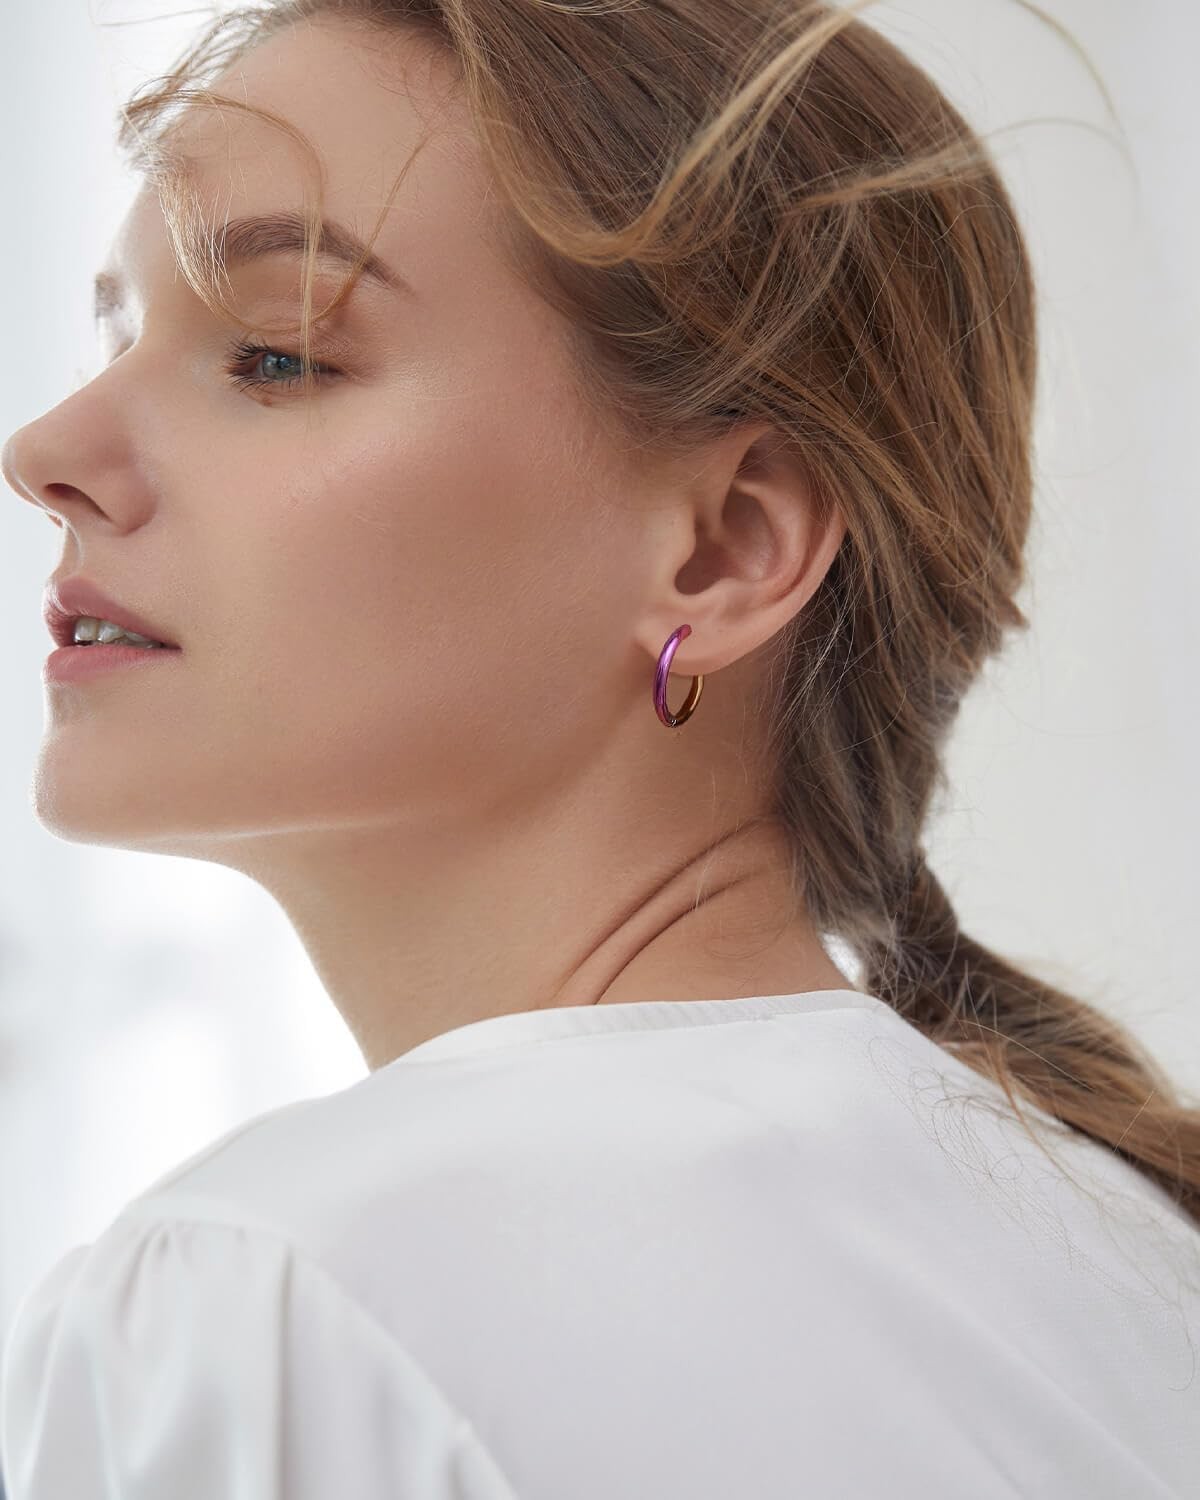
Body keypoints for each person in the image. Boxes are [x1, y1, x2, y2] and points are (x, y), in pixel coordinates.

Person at [2, 1, 1198, 1495]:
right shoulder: (1129, 1251)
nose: (43, 451)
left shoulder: (278, 1300)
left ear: (725, 548)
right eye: (117, 338)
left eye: (275, 355)